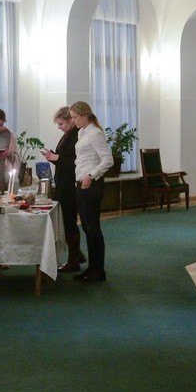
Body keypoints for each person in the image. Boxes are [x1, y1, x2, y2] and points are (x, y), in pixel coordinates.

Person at [68, 101, 114, 282]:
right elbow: (83, 159)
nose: (72, 121)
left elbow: (108, 160)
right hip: (81, 183)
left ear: (84, 115)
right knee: (87, 227)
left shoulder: (95, 133)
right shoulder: (82, 132)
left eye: (74, 117)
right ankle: (92, 267)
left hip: (91, 184)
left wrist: (91, 175)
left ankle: (99, 270)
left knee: (93, 228)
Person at [42, 106, 86, 273]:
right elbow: (64, 158)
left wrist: (56, 157)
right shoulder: (68, 135)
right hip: (63, 182)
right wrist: (53, 156)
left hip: (70, 185)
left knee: (69, 221)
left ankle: (73, 260)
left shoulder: (77, 136)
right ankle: (77, 253)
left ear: (70, 121)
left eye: (61, 123)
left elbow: (76, 162)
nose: (59, 127)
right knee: (66, 221)